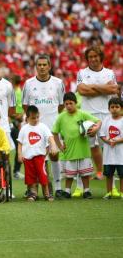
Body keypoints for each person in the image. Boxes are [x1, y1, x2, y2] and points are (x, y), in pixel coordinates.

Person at [22, 54, 65, 197]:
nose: (41, 67)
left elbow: (61, 105)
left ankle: (58, 187)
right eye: (39, 65)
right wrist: (33, 122)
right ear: (36, 67)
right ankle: (33, 188)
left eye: (44, 65)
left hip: (52, 126)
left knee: (54, 155)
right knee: (33, 157)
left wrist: (50, 119)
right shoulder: (28, 84)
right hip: (34, 128)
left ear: (49, 66)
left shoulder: (58, 83)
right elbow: (25, 105)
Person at [76, 46, 119, 182]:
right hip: (88, 115)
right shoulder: (82, 72)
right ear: (87, 59)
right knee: (92, 145)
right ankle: (99, 171)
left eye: (95, 56)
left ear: (101, 57)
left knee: (109, 144)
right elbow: (82, 91)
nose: (93, 59)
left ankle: (111, 173)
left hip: (106, 114)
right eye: (90, 57)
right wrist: (103, 88)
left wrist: (93, 86)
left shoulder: (109, 72)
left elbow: (113, 89)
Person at [52, 92, 101, 199]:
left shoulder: (82, 114)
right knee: (69, 175)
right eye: (66, 104)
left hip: (83, 150)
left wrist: (95, 129)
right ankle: (67, 191)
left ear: (76, 103)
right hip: (69, 151)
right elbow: (54, 132)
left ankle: (86, 191)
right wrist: (59, 146)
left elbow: (98, 121)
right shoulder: (61, 117)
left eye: (71, 103)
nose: (69, 106)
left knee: (85, 174)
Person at [17, 105, 58, 202]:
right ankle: (33, 194)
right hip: (27, 157)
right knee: (31, 177)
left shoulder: (43, 127)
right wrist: (19, 154)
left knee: (43, 175)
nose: (35, 120)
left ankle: (47, 194)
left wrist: (53, 146)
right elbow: (20, 143)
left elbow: (50, 137)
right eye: (33, 118)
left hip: (40, 156)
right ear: (27, 118)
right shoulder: (24, 129)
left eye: (37, 117)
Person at [99, 98, 123, 199]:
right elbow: (102, 134)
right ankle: (109, 192)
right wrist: (108, 141)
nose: (114, 109)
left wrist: (116, 141)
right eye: (112, 107)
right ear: (109, 109)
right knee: (109, 174)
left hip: (121, 154)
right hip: (108, 154)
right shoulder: (106, 120)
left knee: (122, 175)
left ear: (121, 108)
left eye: (117, 107)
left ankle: (122, 192)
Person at [10, 75, 24, 179]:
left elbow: (21, 109)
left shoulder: (18, 92)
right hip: (12, 122)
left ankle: (16, 171)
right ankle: (14, 171)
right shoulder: (14, 92)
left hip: (15, 123)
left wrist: (18, 117)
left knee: (19, 146)